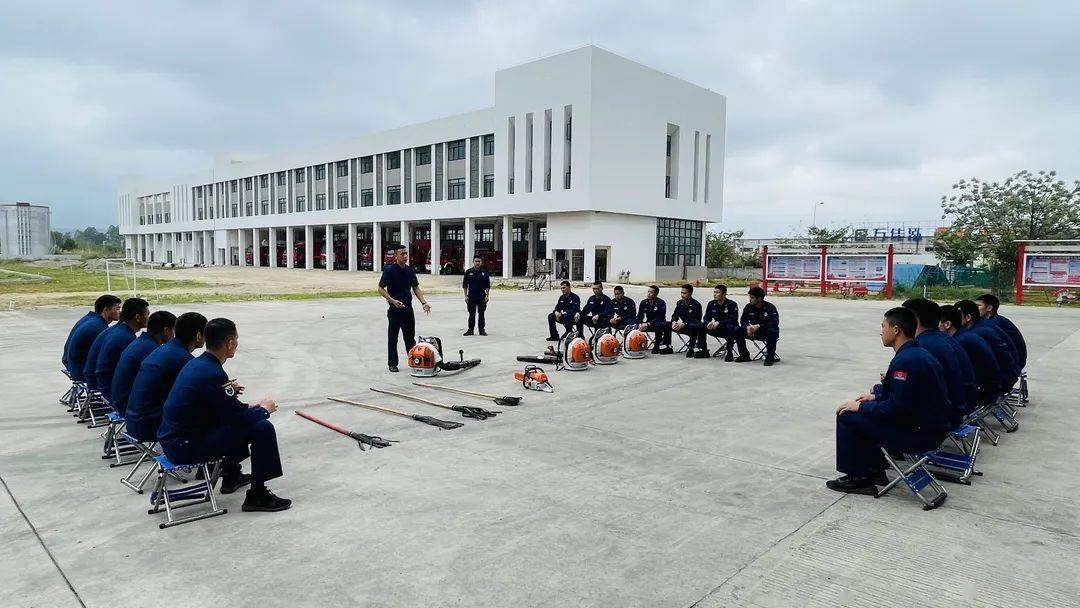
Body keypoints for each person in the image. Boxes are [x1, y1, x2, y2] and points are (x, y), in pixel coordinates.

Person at [158, 318, 291, 512]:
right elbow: (235, 419)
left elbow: (224, 407)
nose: (236, 344)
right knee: (262, 428)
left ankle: (231, 475)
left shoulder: (199, 364)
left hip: (175, 439)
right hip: (185, 447)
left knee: (247, 421)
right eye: (236, 340)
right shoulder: (213, 373)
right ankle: (257, 494)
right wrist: (263, 410)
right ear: (229, 344)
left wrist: (250, 408)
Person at [826, 307, 952, 495]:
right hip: (931, 428)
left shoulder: (906, 361)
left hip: (920, 435)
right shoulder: (917, 353)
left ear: (896, 330)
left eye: (883, 326)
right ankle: (873, 470)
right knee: (863, 413)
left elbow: (896, 410)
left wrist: (860, 406)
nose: (881, 331)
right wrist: (874, 397)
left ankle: (859, 478)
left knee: (847, 416)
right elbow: (907, 396)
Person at [126, 312, 207, 443]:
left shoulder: (165, 350)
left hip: (134, 420)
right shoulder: (183, 359)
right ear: (198, 336)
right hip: (148, 425)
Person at [902, 298, 976, 427]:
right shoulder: (942, 338)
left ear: (914, 320)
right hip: (961, 403)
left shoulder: (922, 346)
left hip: (945, 416)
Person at [110, 310, 176, 416]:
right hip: (128, 405)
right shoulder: (151, 350)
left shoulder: (142, 342)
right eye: (173, 331)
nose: (174, 336)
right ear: (166, 330)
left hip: (120, 398)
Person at [378, 246, 431, 373]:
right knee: (393, 337)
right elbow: (380, 288)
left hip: (408, 309)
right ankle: (392, 363)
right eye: (402, 254)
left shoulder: (410, 271)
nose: (405, 256)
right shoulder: (389, 270)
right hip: (395, 310)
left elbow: (416, 288)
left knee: (410, 338)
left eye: (406, 254)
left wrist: (423, 302)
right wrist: (392, 301)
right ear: (396, 256)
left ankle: (413, 360)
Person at [940, 304, 1002, 407]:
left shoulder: (960, 341)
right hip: (993, 384)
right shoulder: (965, 335)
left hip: (985, 391)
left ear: (947, 324)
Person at [86, 298, 150, 398]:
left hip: (103, 380)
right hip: (109, 387)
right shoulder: (126, 338)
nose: (148, 318)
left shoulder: (119, 330)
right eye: (147, 315)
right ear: (138, 317)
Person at [955, 300, 1018, 395]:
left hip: (1001, 381)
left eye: (956, 316)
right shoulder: (982, 326)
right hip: (1009, 373)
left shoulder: (974, 334)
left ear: (968, 318)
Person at [63, 295, 121, 383]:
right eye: (117, 309)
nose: (120, 312)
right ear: (106, 310)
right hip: (80, 371)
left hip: (71, 364)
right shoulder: (98, 328)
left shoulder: (90, 319)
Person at [976, 294, 1027, 370]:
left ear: (989, 308)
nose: (974, 309)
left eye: (978, 306)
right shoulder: (995, 320)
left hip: (1013, 365)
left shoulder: (994, 324)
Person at [733, 286, 780, 366]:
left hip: (765, 331)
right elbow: (743, 320)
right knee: (738, 329)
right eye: (750, 297)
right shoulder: (748, 307)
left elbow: (774, 322)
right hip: (752, 331)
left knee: (772, 331)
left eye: (752, 297)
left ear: (759, 299)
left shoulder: (770, 307)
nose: (750, 299)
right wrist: (747, 327)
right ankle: (744, 355)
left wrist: (759, 326)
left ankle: (770, 357)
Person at [698, 284, 740, 361]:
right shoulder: (711, 304)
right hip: (716, 327)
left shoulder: (732, 304)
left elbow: (733, 319)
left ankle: (729, 351)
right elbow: (706, 317)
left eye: (717, 292)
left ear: (724, 294)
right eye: (714, 292)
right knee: (701, 325)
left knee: (730, 327)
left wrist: (719, 323)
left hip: (727, 328)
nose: (715, 294)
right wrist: (708, 323)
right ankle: (703, 350)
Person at [668, 284, 706, 359]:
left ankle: (691, 347)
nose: (682, 295)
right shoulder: (679, 303)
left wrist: (684, 323)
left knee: (693, 326)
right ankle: (667, 346)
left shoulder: (696, 305)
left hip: (692, 326)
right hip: (682, 326)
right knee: (666, 324)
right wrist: (673, 321)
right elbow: (675, 315)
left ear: (690, 293)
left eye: (684, 293)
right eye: (681, 293)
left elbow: (697, 319)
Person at [635, 285, 672, 354]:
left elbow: (660, 317)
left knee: (661, 325)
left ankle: (657, 345)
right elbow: (640, 315)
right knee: (633, 324)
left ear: (656, 294)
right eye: (648, 291)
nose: (649, 294)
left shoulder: (661, 303)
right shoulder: (644, 302)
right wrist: (640, 323)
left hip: (659, 323)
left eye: (651, 292)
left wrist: (648, 324)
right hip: (647, 323)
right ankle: (634, 345)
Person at [462, 255, 491, 336]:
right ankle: (470, 330)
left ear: (481, 262)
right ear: (473, 262)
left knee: (481, 314)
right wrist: (465, 296)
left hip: (481, 296)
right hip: (471, 296)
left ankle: (481, 330)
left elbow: (488, 286)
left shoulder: (484, 272)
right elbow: (465, 285)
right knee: (471, 314)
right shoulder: (468, 272)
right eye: (476, 261)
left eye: (479, 261)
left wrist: (487, 296)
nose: (477, 263)